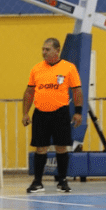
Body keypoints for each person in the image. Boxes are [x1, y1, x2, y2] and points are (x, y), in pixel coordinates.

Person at [23, 37, 83, 193]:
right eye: (43, 49)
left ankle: (62, 181)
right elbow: (29, 92)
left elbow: (77, 91)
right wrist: (25, 113)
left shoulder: (68, 68)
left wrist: (78, 112)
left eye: (47, 49)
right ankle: (37, 182)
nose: (44, 52)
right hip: (41, 113)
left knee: (61, 147)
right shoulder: (36, 69)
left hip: (60, 113)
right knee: (40, 148)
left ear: (57, 50)